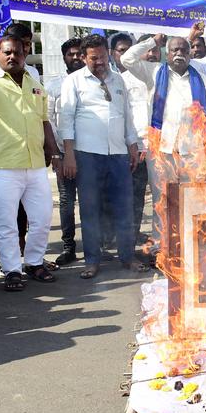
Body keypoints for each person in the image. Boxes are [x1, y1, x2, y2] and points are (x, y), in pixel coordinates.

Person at [0, 25, 61, 292]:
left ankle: (33, 262)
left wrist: (53, 151)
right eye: (6, 53)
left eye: (17, 53)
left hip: (35, 165)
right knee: (7, 224)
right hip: (4, 166)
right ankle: (11, 270)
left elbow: (44, 121)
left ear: (24, 53)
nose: (12, 57)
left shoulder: (33, 82)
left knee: (42, 218)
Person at [121, 28, 206, 256]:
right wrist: (152, 41)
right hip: (162, 150)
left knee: (192, 200)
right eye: (174, 49)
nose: (179, 53)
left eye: (184, 49)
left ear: (190, 53)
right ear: (166, 52)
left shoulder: (200, 79)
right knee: (162, 201)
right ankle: (161, 248)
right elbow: (127, 59)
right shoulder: (154, 73)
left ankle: (191, 247)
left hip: (193, 152)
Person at [57, 34, 141, 278]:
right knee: (90, 209)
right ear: (84, 58)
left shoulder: (119, 81)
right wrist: (69, 156)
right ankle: (92, 260)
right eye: (94, 58)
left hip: (117, 154)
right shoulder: (73, 82)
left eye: (103, 57)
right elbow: (66, 121)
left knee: (125, 206)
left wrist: (132, 145)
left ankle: (127, 256)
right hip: (87, 155)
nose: (100, 62)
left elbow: (127, 116)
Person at [112, 32, 153, 246]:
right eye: (148, 50)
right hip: (135, 148)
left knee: (162, 198)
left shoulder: (161, 74)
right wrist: (132, 146)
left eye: (156, 51)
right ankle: (130, 240)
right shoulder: (123, 79)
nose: (152, 54)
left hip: (160, 147)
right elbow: (123, 116)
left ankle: (161, 240)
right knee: (134, 198)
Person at [51, 36, 87, 266]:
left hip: (89, 152)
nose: (75, 57)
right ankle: (68, 247)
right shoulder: (54, 86)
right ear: (64, 57)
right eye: (70, 54)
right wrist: (56, 152)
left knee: (90, 200)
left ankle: (94, 246)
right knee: (66, 201)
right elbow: (48, 119)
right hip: (64, 153)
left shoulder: (92, 82)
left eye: (78, 54)